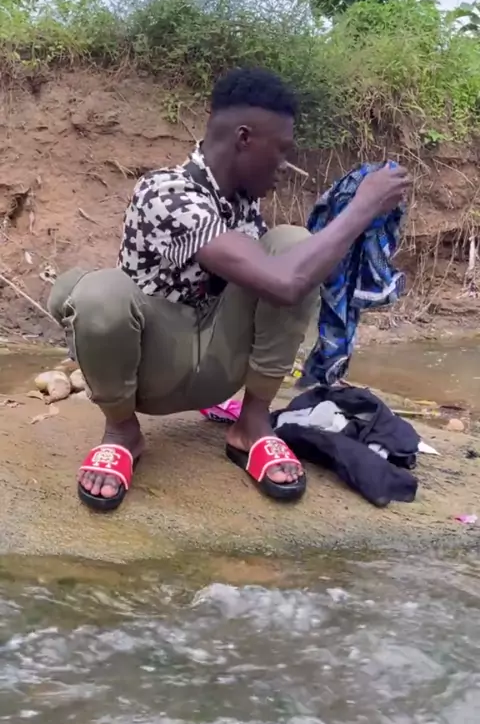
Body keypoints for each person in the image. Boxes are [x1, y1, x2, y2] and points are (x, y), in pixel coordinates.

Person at [48, 67, 410, 512]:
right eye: (281, 150)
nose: (285, 166)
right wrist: (362, 207)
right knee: (99, 293)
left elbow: (289, 276)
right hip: (150, 377)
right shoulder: (167, 193)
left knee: (292, 243)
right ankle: (122, 432)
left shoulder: (241, 203)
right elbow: (284, 284)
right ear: (244, 139)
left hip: (217, 370)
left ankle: (251, 426)